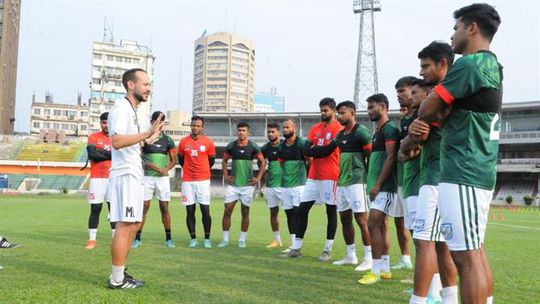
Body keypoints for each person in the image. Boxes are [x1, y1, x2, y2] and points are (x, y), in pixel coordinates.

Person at [412, 4, 502, 303]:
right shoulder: (492, 65)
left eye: (456, 28)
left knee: (465, 257)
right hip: (476, 168)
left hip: (463, 169)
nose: (453, 35)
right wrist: (444, 112)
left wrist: (437, 110)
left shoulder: (469, 64)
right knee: (474, 252)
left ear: (472, 28)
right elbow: (444, 112)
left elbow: (426, 109)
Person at [402, 42, 460, 304]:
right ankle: (446, 297)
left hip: (435, 179)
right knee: (440, 244)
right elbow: (408, 147)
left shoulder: (439, 99)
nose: (422, 70)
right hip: (440, 178)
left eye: (426, 66)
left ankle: (420, 299)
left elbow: (407, 146)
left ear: (443, 64)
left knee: (424, 240)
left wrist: (415, 136)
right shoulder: (449, 98)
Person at [107, 68, 163, 289]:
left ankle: (120, 273)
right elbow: (117, 141)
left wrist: (146, 141)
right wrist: (146, 134)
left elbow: (130, 143)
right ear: (131, 85)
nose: (149, 88)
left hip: (134, 173)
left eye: (150, 84)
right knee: (126, 224)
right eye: (145, 84)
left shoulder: (133, 111)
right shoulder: (121, 108)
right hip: (126, 174)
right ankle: (117, 280)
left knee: (134, 223)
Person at [284, 97, 342, 261]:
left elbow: (326, 152)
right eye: (321, 110)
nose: (323, 113)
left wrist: (316, 149)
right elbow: (306, 150)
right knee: (302, 210)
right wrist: (317, 149)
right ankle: (296, 248)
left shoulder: (339, 128)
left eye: (326, 110)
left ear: (333, 110)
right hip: (313, 176)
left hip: (330, 176)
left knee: (330, 211)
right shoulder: (315, 128)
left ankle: (327, 249)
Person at [358, 93, 400, 285]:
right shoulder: (378, 131)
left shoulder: (390, 129)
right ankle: (385, 269)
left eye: (372, 107)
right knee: (381, 226)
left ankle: (374, 270)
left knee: (372, 224)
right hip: (375, 186)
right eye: (368, 108)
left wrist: (377, 184)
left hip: (384, 186)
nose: (369, 111)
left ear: (383, 106)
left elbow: (391, 157)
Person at [331, 101, 373, 272]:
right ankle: (350, 255)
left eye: (342, 113)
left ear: (353, 113)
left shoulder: (362, 132)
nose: (339, 116)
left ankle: (369, 258)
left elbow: (371, 157)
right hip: (342, 183)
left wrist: (369, 180)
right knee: (345, 219)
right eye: (338, 113)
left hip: (357, 182)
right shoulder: (339, 136)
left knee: (362, 221)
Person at [132, 111, 177, 249]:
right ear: (152, 122)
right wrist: (147, 165)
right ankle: (137, 238)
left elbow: (174, 160)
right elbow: (136, 157)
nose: (160, 124)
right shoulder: (145, 138)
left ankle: (169, 238)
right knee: (144, 207)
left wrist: (166, 169)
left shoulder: (168, 140)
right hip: (146, 177)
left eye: (162, 121)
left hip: (162, 179)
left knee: (164, 207)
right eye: (157, 121)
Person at [218, 122, 265, 248]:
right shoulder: (231, 146)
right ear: (236, 132)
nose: (241, 132)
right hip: (233, 185)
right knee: (227, 211)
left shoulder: (253, 146)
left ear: (248, 132)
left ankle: (242, 240)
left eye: (243, 130)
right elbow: (224, 161)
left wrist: (258, 178)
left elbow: (262, 162)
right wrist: (226, 175)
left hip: (247, 186)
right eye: (239, 130)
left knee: (245, 212)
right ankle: (225, 239)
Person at [392, 76, 418, 270]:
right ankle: (406, 259)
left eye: (403, 91)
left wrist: (404, 154)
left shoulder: (421, 116)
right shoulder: (403, 122)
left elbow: (416, 149)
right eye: (398, 92)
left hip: (419, 181)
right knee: (403, 223)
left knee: (421, 232)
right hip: (403, 180)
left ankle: (428, 280)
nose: (399, 95)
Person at [178, 116, 216, 248]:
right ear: (191, 126)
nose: (195, 127)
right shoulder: (183, 142)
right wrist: (189, 171)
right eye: (193, 125)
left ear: (202, 127)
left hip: (203, 181)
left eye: (198, 126)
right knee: (190, 211)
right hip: (188, 181)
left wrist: (202, 171)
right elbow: (181, 160)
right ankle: (193, 238)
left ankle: (207, 239)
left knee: (205, 210)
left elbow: (211, 161)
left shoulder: (208, 142)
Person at [85, 112, 116, 250]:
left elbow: (120, 156)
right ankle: (92, 240)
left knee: (113, 210)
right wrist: (110, 155)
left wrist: (101, 153)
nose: (106, 125)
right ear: (100, 123)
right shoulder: (93, 137)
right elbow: (92, 154)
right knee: (95, 208)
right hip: (97, 179)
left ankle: (115, 240)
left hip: (113, 178)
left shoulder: (117, 138)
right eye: (104, 122)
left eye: (108, 122)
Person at [277, 119, 308, 253]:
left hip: (299, 185)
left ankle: (297, 245)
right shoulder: (281, 146)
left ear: (294, 128)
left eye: (287, 127)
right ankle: (292, 244)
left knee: (297, 213)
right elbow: (281, 163)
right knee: (289, 214)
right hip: (285, 185)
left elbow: (310, 161)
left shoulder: (301, 143)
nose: (285, 130)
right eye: (283, 128)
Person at [261, 123, 284, 248]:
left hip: (285, 185)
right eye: (268, 132)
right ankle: (277, 240)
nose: (270, 134)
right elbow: (262, 163)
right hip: (271, 185)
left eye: (273, 132)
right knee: (273, 213)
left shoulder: (285, 145)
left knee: (292, 213)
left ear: (278, 133)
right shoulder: (265, 148)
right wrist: (264, 176)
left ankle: (295, 242)